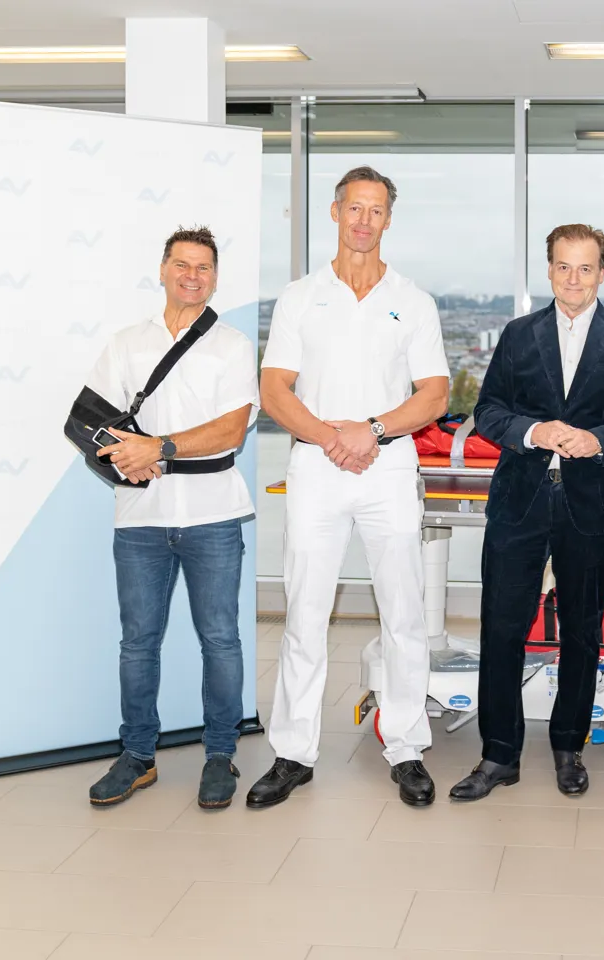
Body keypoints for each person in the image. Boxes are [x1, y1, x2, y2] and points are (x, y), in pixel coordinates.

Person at [250, 165, 450, 808]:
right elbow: (275, 389)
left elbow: (435, 395)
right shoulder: (299, 297)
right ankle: (293, 752)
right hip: (315, 465)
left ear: (389, 220)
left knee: (404, 611)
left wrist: (370, 431)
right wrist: (333, 438)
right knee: (305, 612)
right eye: (354, 208)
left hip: (388, 467)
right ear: (335, 213)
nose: (364, 220)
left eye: (376, 210)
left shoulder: (413, 300)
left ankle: (407, 746)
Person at [449, 224, 604, 801]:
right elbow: (487, 412)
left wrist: (597, 440)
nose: (574, 279)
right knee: (502, 626)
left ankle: (568, 746)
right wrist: (533, 431)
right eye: (563, 266)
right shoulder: (516, 334)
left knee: (581, 631)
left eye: (585, 268)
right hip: (519, 501)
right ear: (549, 270)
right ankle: (498, 754)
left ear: (602, 272)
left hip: (591, 503)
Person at [84, 226, 258, 810]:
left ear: (214, 276)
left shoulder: (231, 345)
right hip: (139, 516)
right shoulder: (125, 343)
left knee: (220, 640)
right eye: (182, 265)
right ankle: (136, 756)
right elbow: (92, 424)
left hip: (213, 512)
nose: (193, 276)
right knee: (138, 644)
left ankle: (219, 756)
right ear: (162, 270)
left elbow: (231, 429)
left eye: (204, 267)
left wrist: (156, 447)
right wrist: (120, 453)